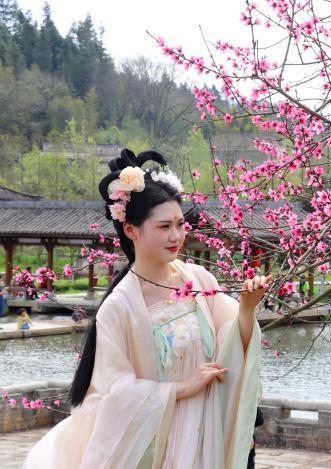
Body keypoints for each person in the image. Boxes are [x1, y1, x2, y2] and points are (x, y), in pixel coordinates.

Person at [24, 149, 269, 468]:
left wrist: (247, 309)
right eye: (164, 226)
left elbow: (233, 342)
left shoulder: (197, 279)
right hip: (156, 443)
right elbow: (116, 392)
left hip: (205, 432)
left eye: (180, 224)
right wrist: (180, 389)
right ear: (131, 230)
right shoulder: (119, 307)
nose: (176, 236)